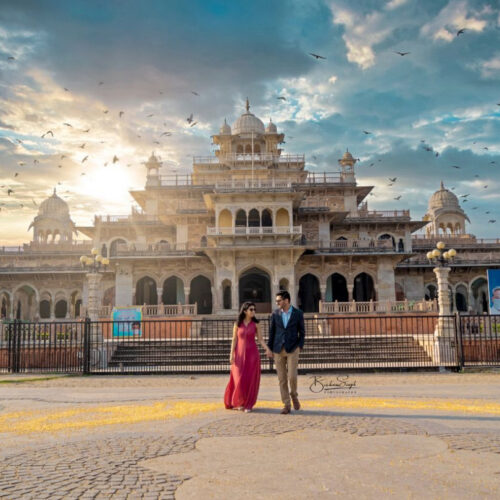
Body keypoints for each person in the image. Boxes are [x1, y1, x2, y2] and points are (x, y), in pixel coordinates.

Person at [224, 302, 272, 412]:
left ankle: (248, 404)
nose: (254, 311)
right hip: (239, 354)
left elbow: (260, 339)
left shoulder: (256, 324)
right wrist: (231, 354)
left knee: (249, 379)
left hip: (252, 354)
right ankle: (239, 402)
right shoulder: (238, 324)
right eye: (251, 309)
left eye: (254, 309)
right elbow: (234, 339)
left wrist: (267, 349)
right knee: (238, 379)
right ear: (245, 311)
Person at [267, 290, 305, 414]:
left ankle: (294, 395)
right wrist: (269, 348)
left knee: (292, 376)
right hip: (278, 348)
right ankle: (286, 404)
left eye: (279, 300)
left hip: (292, 348)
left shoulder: (298, 313)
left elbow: (302, 332)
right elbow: (271, 333)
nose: (277, 302)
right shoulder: (275, 314)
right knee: (282, 379)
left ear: (286, 300)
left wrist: (299, 346)